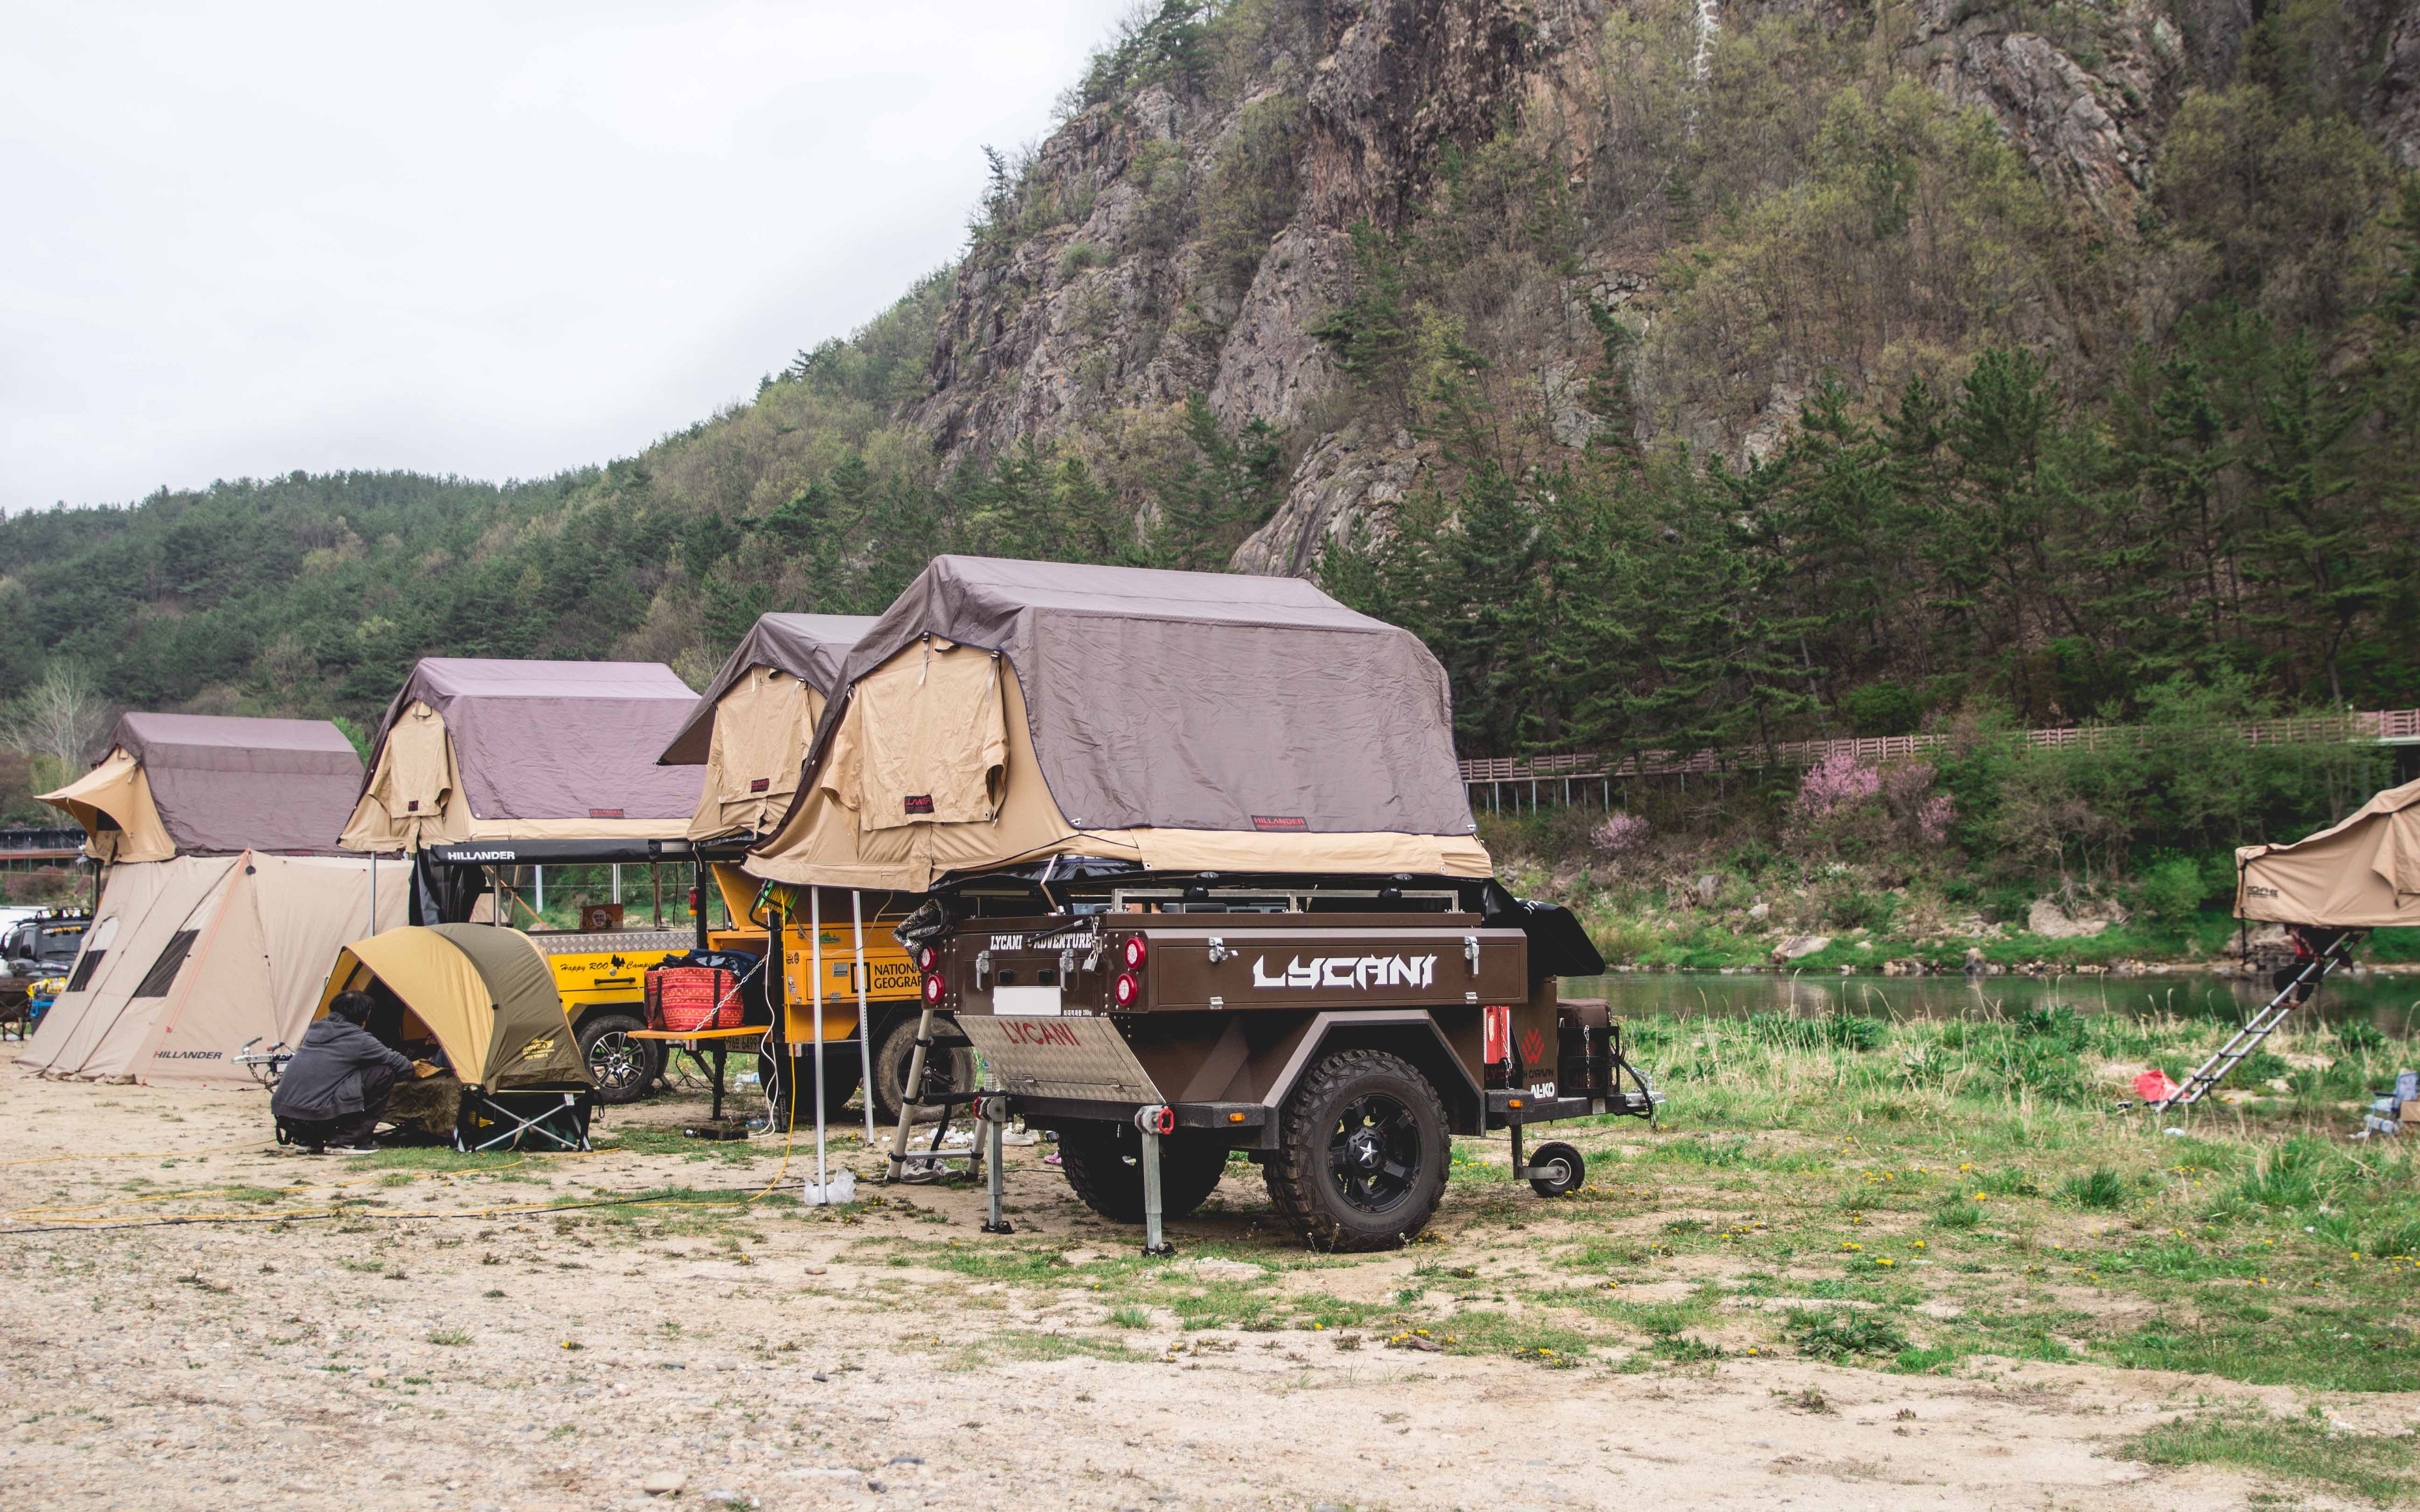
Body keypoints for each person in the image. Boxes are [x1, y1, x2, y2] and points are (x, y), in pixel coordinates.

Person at [272, 990, 415, 1153]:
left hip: (285, 1117)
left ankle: (307, 1139)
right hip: (314, 1118)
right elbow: (405, 1067)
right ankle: (348, 1140)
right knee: (383, 1073)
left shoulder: (314, 1030)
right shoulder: (358, 1039)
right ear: (363, 1015)